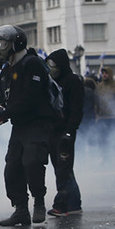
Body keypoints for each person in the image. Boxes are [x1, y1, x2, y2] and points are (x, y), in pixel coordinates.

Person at [0, 25, 55, 226]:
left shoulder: (32, 63)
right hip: (19, 125)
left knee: (32, 162)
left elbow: (31, 98)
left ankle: (39, 202)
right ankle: (21, 209)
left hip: (37, 122)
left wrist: (6, 112)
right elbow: (1, 96)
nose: (0, 47)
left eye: (4, 43)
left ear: (16, 43)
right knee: (12, 167)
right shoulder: (6, 69)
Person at [45, 49, 84, 217]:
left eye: (53, 66)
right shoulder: (51, 82)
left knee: (63, 169)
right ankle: (74, 204)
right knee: (62, 169)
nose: (51, 69)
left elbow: (76, 110)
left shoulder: (73, 82)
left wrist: (69, 132)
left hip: (65, 132)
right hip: (53, 130)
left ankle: (61, 205)